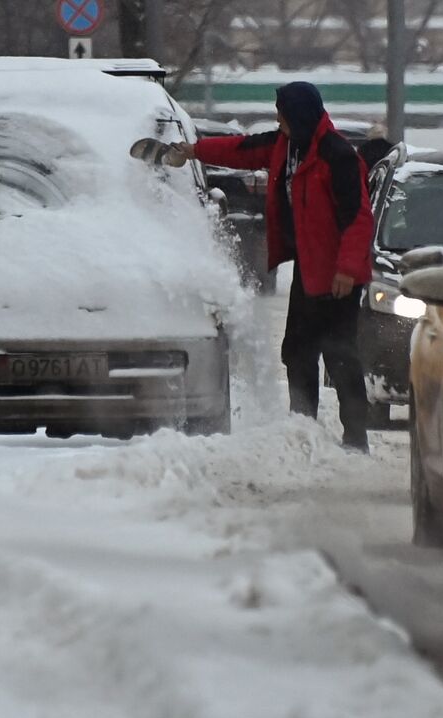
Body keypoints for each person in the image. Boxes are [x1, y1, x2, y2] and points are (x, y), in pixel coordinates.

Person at [177, 83, 375, 452]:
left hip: (339, 275)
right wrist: (192, 151)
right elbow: (240, 149)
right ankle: (302, 430)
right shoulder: (285, 146)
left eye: (281, 111)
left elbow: (358, 219)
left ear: (300, 114)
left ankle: (355, 439)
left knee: (340, 354)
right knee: (298, 351)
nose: (277, 117)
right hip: (309, 270)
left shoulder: (338, 156)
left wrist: (346, 269)